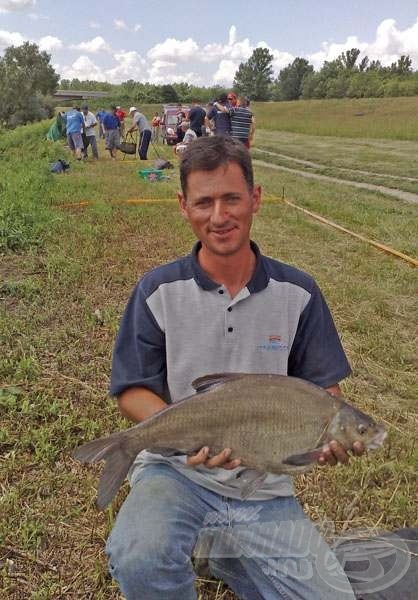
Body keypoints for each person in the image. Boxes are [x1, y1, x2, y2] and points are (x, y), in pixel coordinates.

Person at [106, 136, 362, 600]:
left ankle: (219, 548)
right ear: (184, 206)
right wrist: (184, 440)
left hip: (264, 492)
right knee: (139, 556)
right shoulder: (156, 290)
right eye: (204, 202)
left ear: (256, 198)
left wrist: (324, 443)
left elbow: (327, 393)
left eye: (231, 198)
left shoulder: (299, 293)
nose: (219, 216)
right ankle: (206, 540)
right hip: (174, 471)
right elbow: (131, 389)